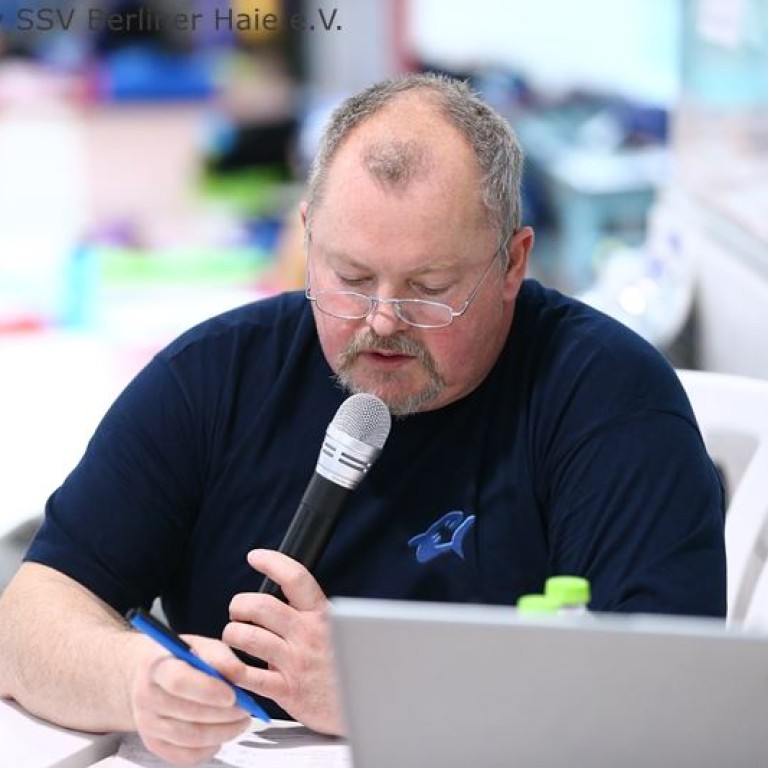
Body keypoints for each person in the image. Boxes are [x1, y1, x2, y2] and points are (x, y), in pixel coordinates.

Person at [0, 73, 725, 765]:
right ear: (307, 237)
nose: (381, 320)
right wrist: (138, 681)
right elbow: (29, 618)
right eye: (348, 278)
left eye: (428, 288)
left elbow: (670, 704)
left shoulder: (609, 398)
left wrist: (389, 696)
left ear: (513, 264)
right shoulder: (215, 376)